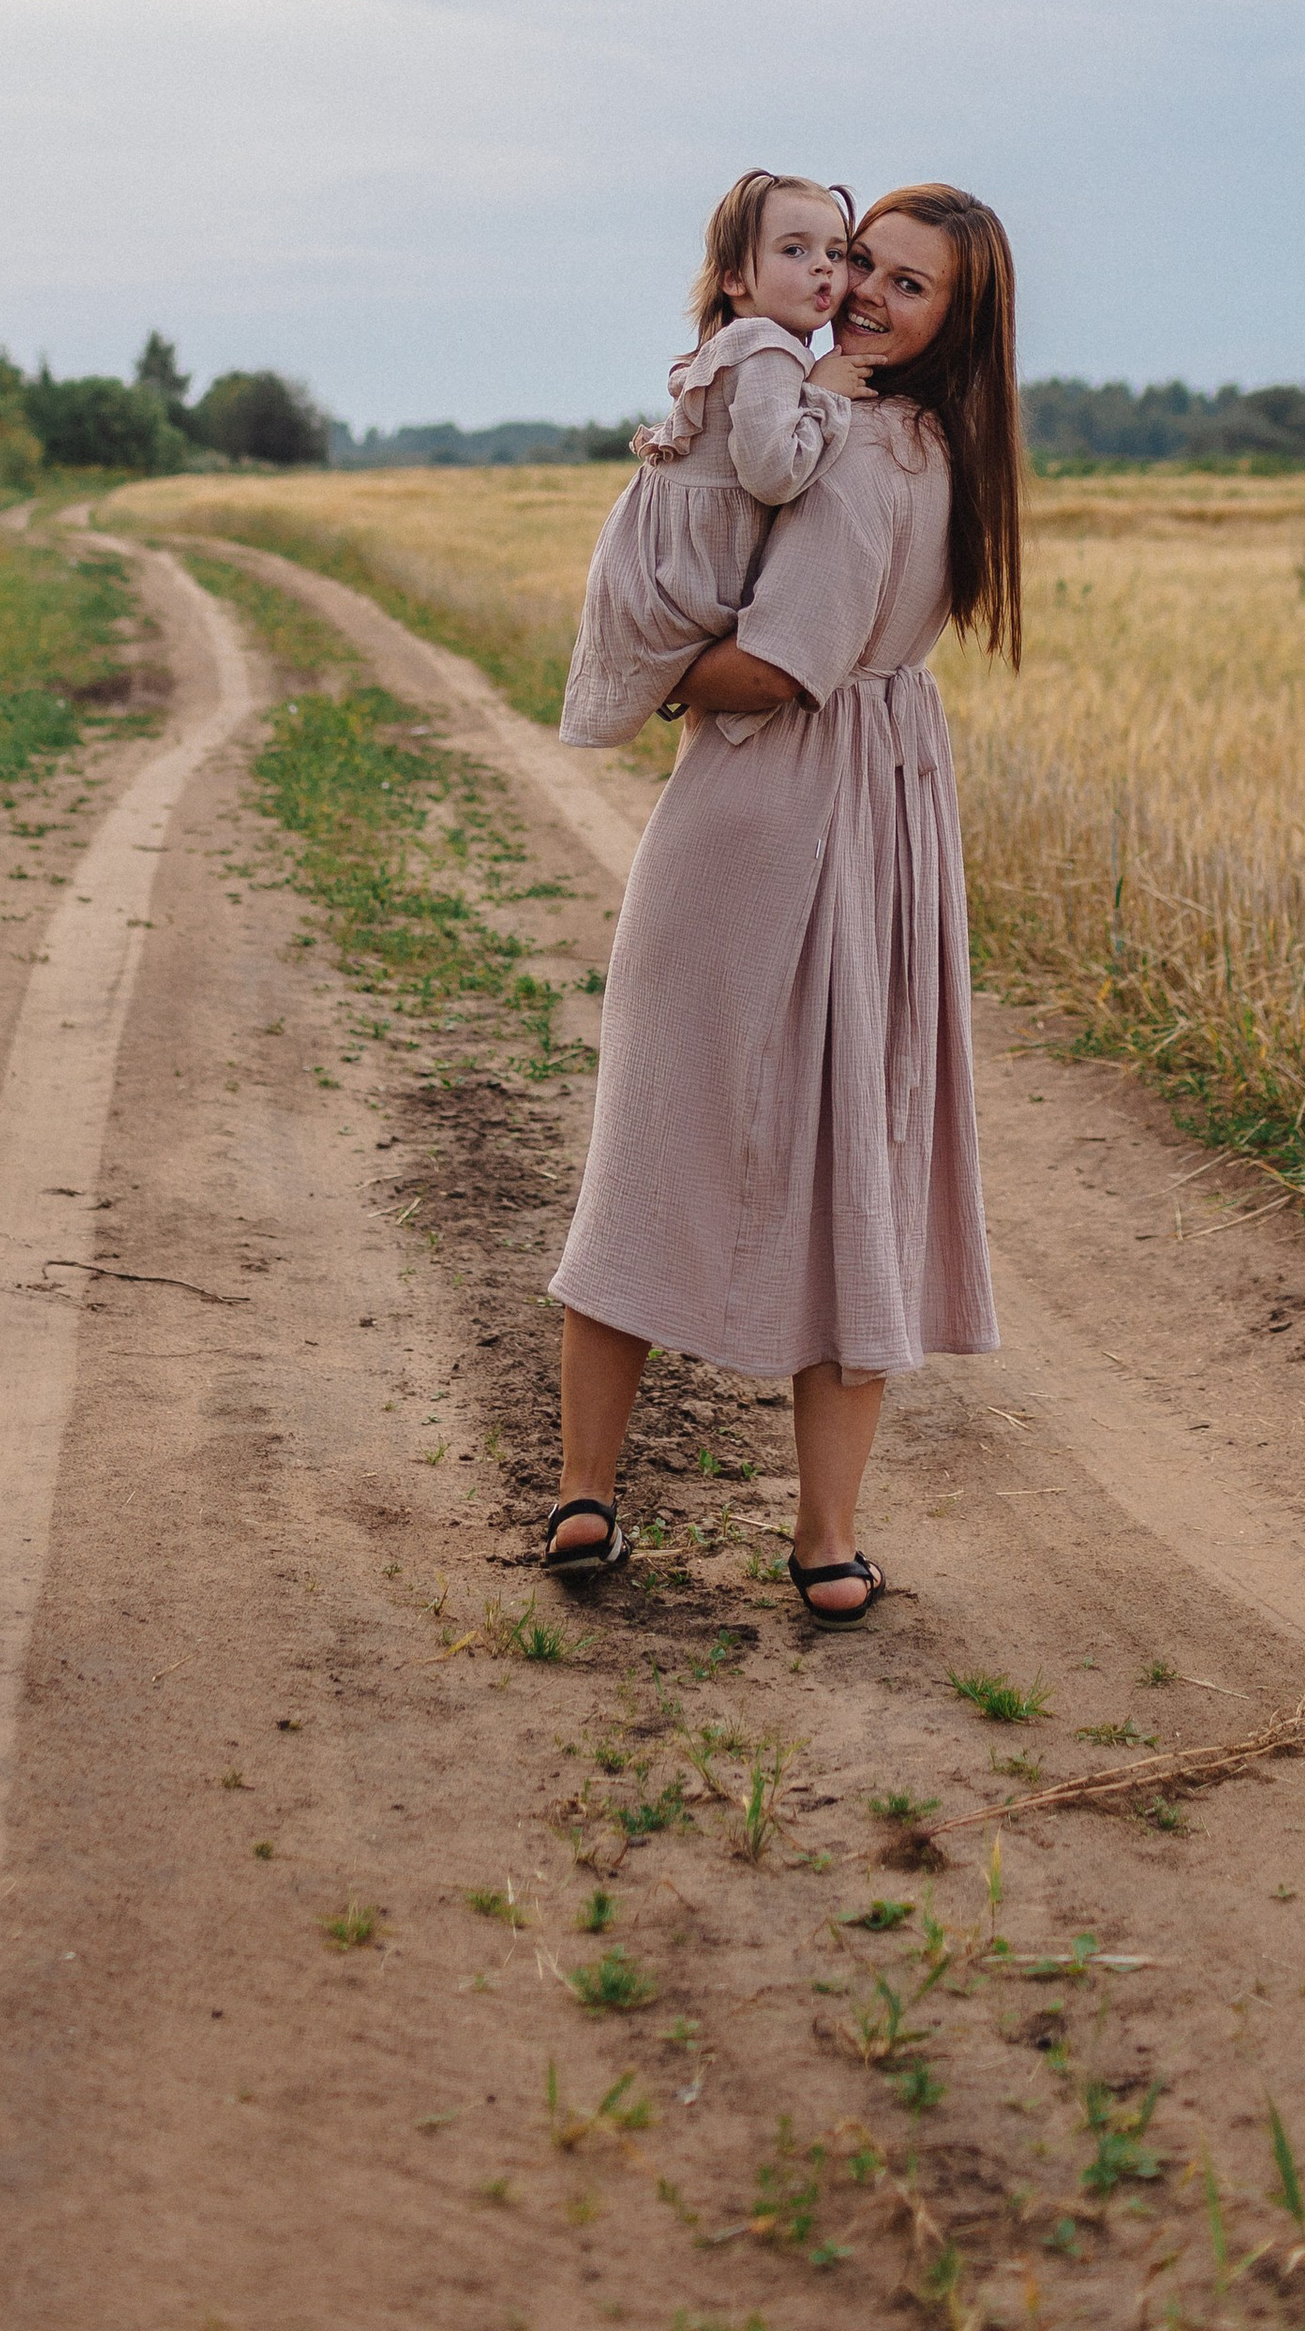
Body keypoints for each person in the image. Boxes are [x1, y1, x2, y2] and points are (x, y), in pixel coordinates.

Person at [544, 183, 1023, 1622]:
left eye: (909, 286)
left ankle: (586, 1497)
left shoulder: (856, 446)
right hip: (882, 814)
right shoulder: (939, 444)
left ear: (959, 323)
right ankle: (823, 1546)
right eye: (861, 262)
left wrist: (647, 670)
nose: (867, 292)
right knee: (857, 1163)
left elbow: (777, 662)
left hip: (773, 800)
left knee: (654, 1139)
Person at [559, 170, 859, 751]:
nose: (824, 266)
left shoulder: (747, 343)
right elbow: (773, 476)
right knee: (756, 686)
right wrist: (826, 397)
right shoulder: (768, 350)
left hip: (659, 559)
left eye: (836, 252)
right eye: (794, 250)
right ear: (733, 279)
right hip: (690, 575)